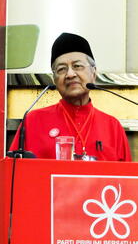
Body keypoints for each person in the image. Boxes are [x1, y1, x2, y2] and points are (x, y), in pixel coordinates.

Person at [9, 32, 132, 161]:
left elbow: (126, 179)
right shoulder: (33, 121)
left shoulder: (112, 127)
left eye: (77, 66)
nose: (70, 74)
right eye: (62, 69)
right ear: (55, 80)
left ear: (93, 73)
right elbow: (13, 173)